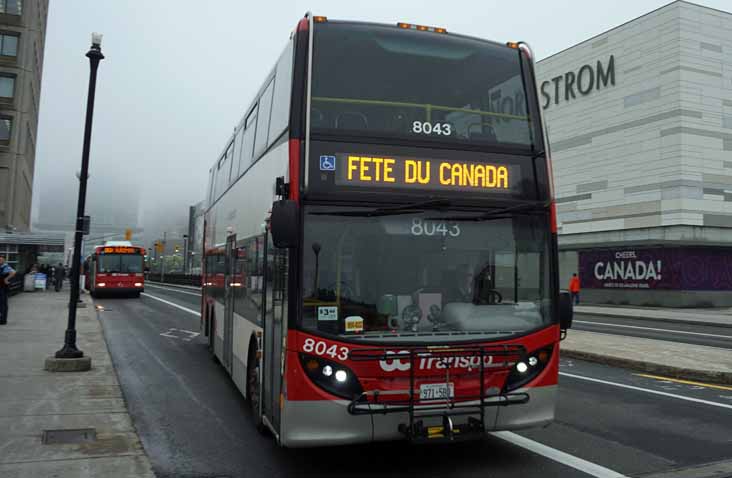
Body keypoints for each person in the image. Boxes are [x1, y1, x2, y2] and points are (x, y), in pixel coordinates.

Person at [0, 256, 16, 325]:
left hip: (3, 287)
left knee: (3, 304)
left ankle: (3, 320)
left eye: (1, 260)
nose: (0, 261)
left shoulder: (5, 266)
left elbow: (13, 272)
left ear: (4, 260)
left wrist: (6, 279)